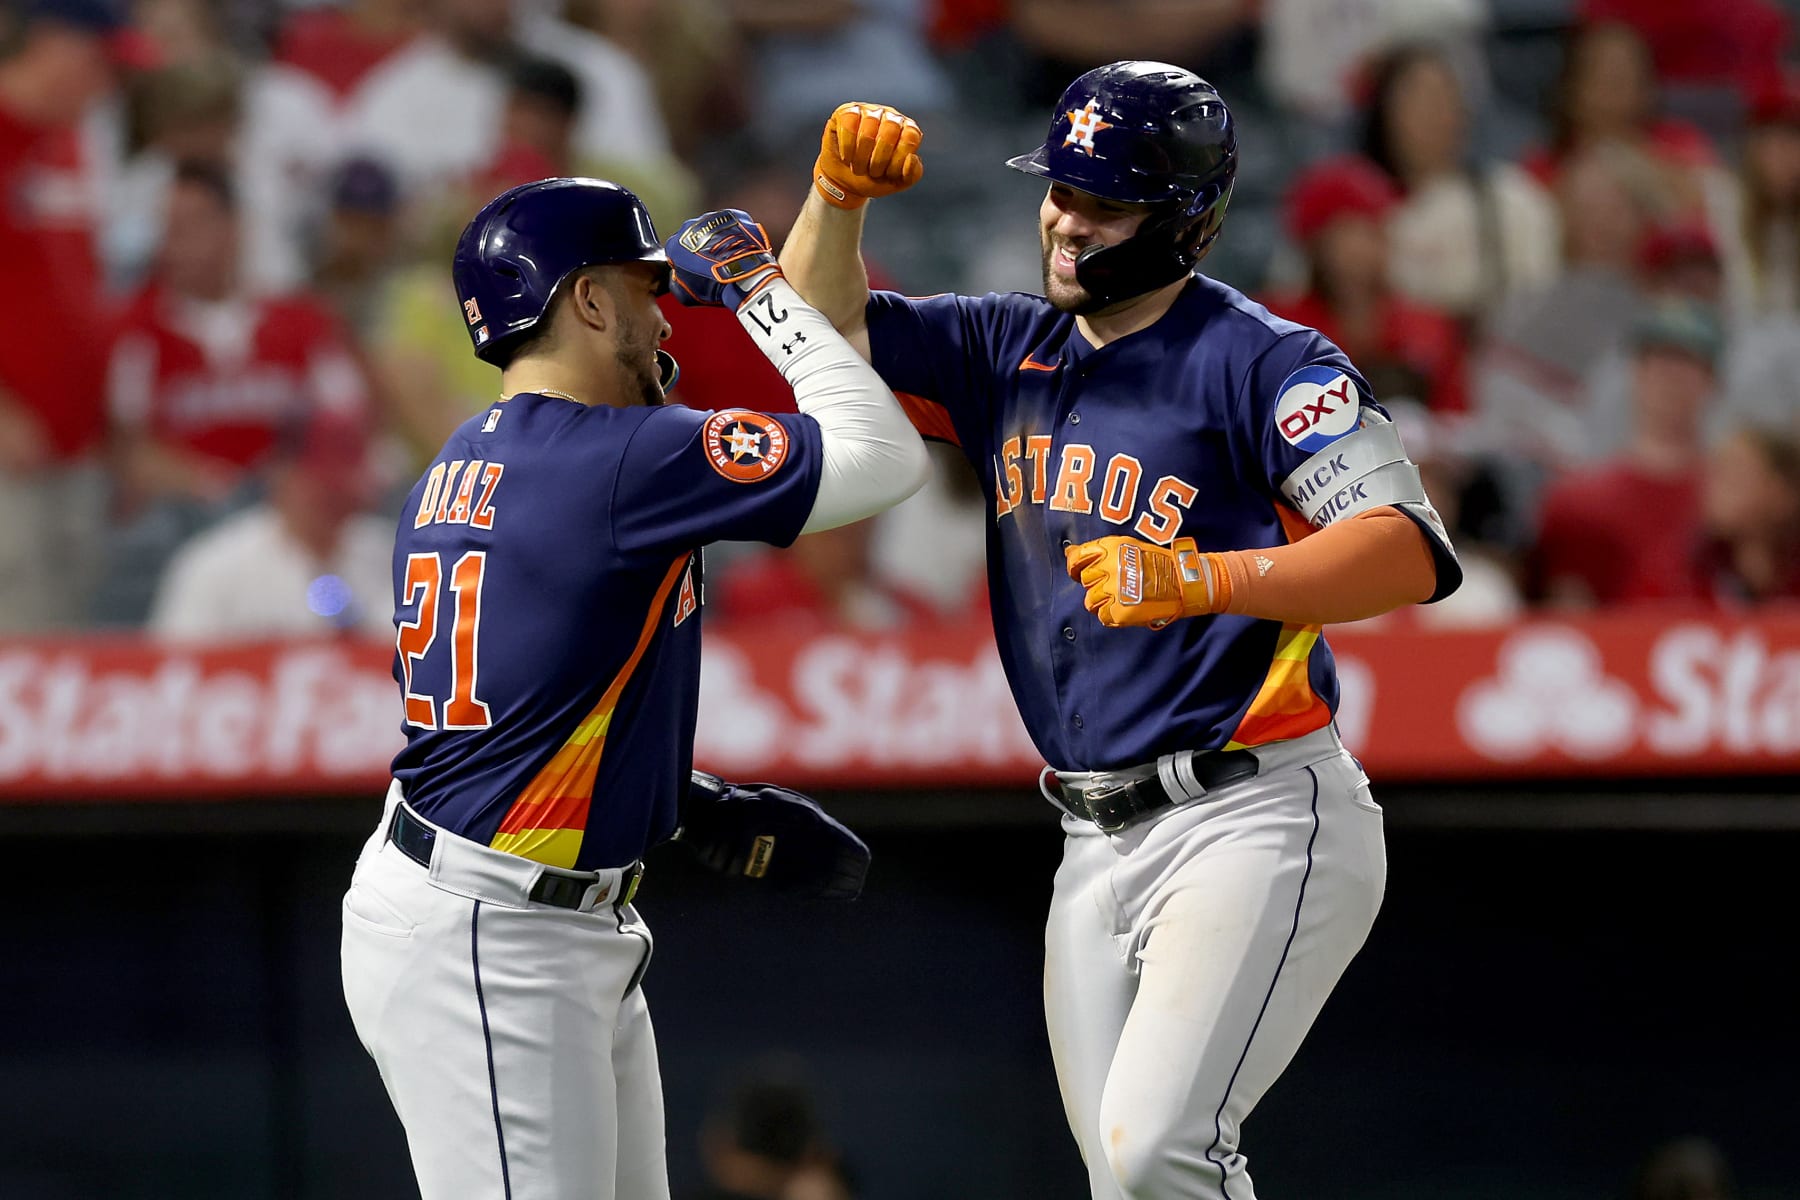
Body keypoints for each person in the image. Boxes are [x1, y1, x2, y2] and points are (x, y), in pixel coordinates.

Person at [779, 64, 1461, 1200]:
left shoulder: (1265, 361)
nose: (1065, 217)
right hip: (1089, 833)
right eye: (1060, 188)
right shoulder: (1011, 346)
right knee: (1127, 1176)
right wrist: (835, 200)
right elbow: (816, 337)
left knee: (1158, 1151)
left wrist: (1200, 578)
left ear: (1184, 219)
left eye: (1103, 201)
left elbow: (1408, 548)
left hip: (1253, 808)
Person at [339, 178, 929, 1200]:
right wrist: (757, 288)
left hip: (512, 903)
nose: (665, 317)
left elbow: (524, 706)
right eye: (644, 288)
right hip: (495, 929)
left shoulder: (453, 464)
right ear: (589, 303)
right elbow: (883, 461)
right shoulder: (622, 454)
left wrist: (680, 801)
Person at [1530, 298, 1722, 608]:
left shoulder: (1736, 499)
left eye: (1687, 366)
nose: (1671, 379)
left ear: (1712, 382)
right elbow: (1567, 616)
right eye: (1660, 363)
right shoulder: (1579, 501)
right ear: (1637, 373)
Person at [147, 413, 394, 639]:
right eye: (323, 485)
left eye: (346, 484)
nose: (336, 496)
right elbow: (173, 669)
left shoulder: (397, 556)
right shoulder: (215, 565)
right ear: (283, 473)